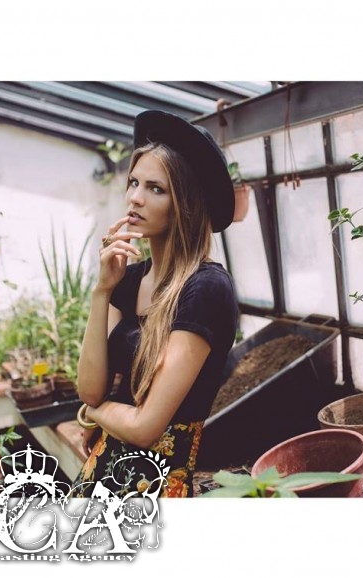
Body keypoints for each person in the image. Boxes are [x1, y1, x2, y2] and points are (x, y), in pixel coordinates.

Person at [70, 110, 239, 498]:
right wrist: (101, 292)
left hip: (155, 486)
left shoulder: (206, 288)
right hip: (98, 476)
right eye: (134, 182)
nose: (135, 197)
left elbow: (146, 427)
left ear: (184, 203)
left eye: (155, 189)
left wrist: (94, 414)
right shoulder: (128, 280)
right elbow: (90, 390)